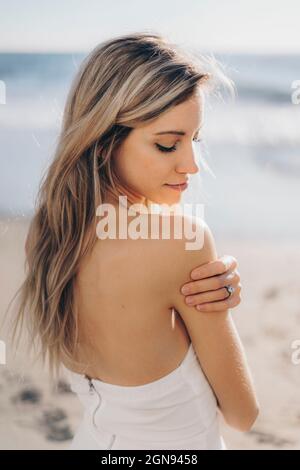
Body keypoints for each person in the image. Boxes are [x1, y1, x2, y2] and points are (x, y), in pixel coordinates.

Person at [8, 32, 258, 450]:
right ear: (103, 143)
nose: (192, 165)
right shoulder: (184, 242)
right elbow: (242, 415)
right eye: (167, 144)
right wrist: (221, 312)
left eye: (194, 140)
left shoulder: (47, 235)